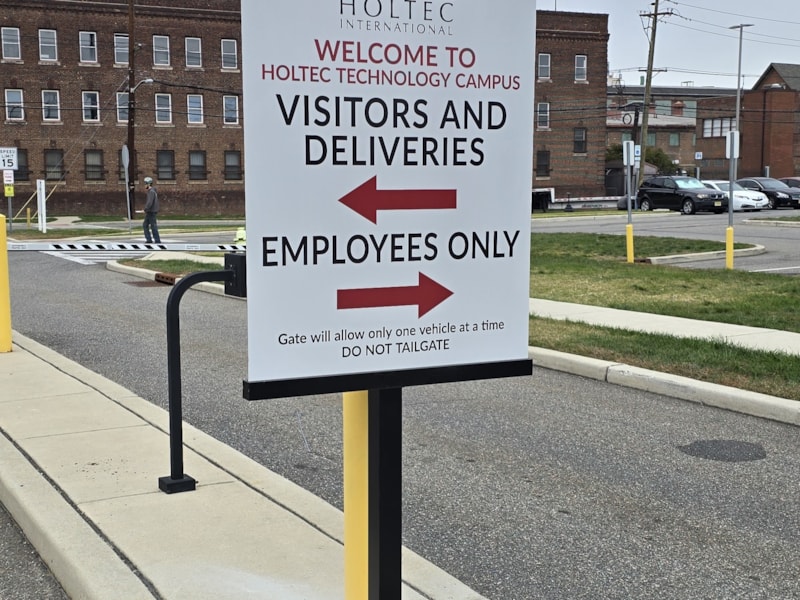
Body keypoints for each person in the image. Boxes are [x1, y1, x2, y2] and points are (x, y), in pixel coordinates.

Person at [142, 176, 161, 243]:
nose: (144, 186)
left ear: (148, 184)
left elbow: (150, 202)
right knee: (146, 225)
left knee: (152, 226)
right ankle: (150, 239)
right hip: (151, 211)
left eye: (145, 184)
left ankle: (155, 240)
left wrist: (146, 209)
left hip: (151, 211)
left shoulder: (151, 192)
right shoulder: (152, 191)